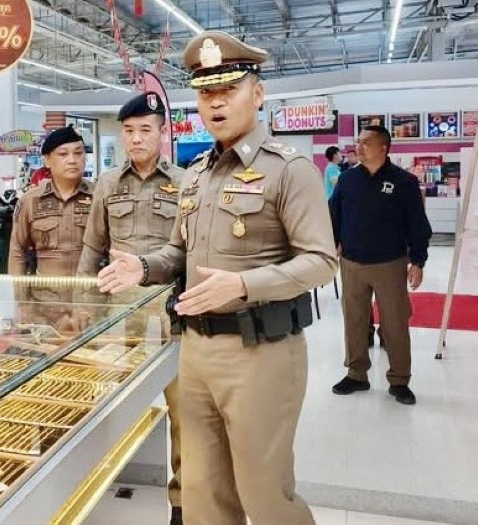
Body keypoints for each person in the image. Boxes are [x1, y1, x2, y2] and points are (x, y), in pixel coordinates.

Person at [96, 30, 337, 524]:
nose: (216, 102)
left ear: (258, 93)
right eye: (206, 93)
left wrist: (245, 284)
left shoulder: (290, 170)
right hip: (195, 351)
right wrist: (143, 266)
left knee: (264, 493)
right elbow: (178, 251)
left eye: (229, 89)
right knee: (203, 494)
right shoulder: (198, 173)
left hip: (261, 353)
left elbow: (320, 261)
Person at [76, 91, 186, 524]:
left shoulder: (185, 181)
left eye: (145, 130)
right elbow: (92, 248)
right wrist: (82, 305)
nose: (136, 138)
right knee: (102, 408)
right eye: (128, 131)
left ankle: (182, 503)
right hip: (117, 319)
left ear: (162, 132)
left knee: (185, 415)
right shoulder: (107, 183)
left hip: (171, 317)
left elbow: (189, 250)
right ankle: (88, 491)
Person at [329, 125, 432, 405]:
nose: (358, 147)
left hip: (390, 264)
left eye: (366, 143)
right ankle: (356, 374)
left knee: (395, 323)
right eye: (358, 142)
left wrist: (418, 261)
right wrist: (331, 247)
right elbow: (334, 216)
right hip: (352, 264)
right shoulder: (347, 180)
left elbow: (418, 225)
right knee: (354, 320)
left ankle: (399, 380)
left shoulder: (405, 182)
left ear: (383, 148)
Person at [8, 125, 93, 276]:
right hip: (46, 288)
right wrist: (18, 289)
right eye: (63, 154)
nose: (72, 160)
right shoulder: (30, 201)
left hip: (92, 288)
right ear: (47, 160)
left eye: (78, 153)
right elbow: (17, 252)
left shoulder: (99, 196)